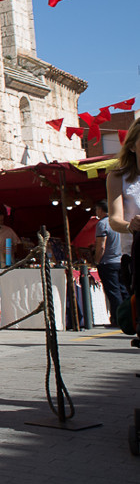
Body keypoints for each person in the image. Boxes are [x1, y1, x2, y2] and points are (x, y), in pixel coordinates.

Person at [107, 117, 140, 335]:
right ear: (131, 145)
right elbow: (114, 219)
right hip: (137, 250)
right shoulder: (119, 176)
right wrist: (131, 225)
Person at [93, 199, 125, 325]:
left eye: (96, 209)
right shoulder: (118, 223)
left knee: (113, 292)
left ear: (101, 210)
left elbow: (101, 246)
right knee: (123, 290)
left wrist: (97, 261)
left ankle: (119, 319)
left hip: (108, 262)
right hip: (121, 260)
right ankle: (129, 317)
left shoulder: (102, 224)